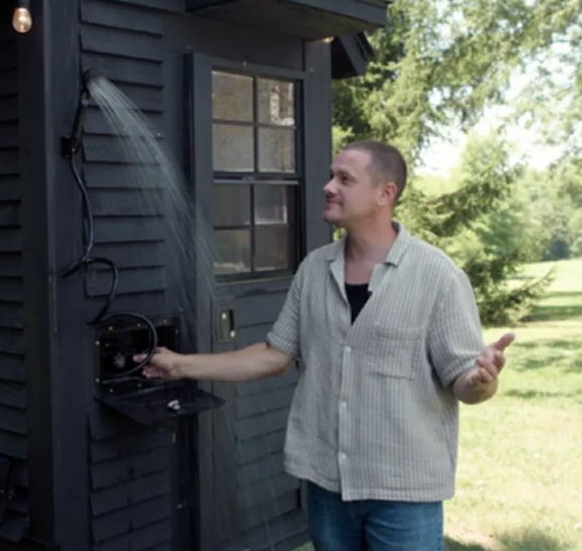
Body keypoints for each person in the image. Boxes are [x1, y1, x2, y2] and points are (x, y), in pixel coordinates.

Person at [136, 139, 515, 550]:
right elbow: (274, 355)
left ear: (385, 194)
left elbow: (464, 380)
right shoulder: (314, 270)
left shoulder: (437, 276)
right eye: (332, 175)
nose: (328, 186)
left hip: (404, 492)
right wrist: (178, 365)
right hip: (326, 485)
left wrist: (482, 381)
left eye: (345, 179)